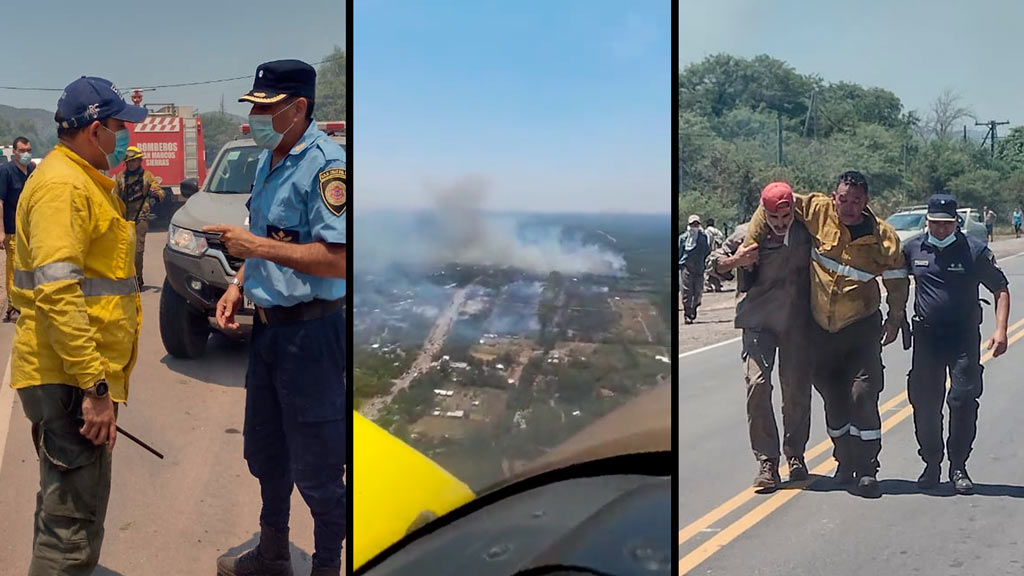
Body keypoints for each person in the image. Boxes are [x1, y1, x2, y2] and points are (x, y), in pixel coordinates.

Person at [206, 60, 347, 576]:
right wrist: (238, 284)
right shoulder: (270, 159)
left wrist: (254, 245)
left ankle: (328, 566)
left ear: (298, 107)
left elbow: (340, 258)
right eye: (255, 108)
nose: (257, 118)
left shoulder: (328, 165)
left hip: (312, 336)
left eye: (267, 108)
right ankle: (273, 553)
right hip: (267, 335)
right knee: (267, 453)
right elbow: (268, 237)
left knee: (320, 470)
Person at [9, 76, 146, 574]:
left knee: (64, 512)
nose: (123, 137)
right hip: (68, 378)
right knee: (70, 529)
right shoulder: (63, 188)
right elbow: (59, 292)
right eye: (118, 127)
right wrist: (94, 385)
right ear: (93, 130)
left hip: (68, 372)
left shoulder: (79, 179)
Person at [745, 171, 909, 498]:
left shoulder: (883, 237)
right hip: (821, 330)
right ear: (834, 196)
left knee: (862, 395)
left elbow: (897, 278)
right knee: (834, 400)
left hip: (861, 327)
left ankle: (867, 469)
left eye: (856, 201)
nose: (848, 207)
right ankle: (844, 464)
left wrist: (895, 317)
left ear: (866, 203)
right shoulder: (818, 210)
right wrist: (752, 242)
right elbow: (773, 204)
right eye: (844, 199)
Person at [902, 194, 1009, 494]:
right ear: (927, 221)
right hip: (926, 337)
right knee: (925, 403)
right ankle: (931, 464)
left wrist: (1001, 331)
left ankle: (958, 466)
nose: (939, 230)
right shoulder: (912, 248)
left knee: (962, 400)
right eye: (934, 224)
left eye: (946, 225)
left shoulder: (973, 251)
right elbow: (893, 279)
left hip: (962, 337)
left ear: (956, 224)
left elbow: (1001, 288)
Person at [710, 182, 813, 489]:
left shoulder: (806, 231)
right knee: (757, 385)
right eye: (773, 218)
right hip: (757, 321)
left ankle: (796, 455)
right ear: (764, 213)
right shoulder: (747, 233)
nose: (780, 224)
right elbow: (714, 263)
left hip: (796, 322)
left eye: (785, 217)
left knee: (795, 390)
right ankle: (767, 462)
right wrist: (735, 261)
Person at [113, 145, 165, 288]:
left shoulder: (147, 177)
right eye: (129, 161)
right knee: (123, 249)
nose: (131, 164)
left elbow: (160, 193)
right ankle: (124, 277)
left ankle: (137, 280)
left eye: (134, 161)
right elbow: (114, 198)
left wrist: (156, 194)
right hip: (124, 218)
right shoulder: (120, 178)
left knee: (137, 250)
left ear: (140, 161)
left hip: (141, 217)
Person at [0, 136, 34, 321]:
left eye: (28, 150)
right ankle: (13, 307)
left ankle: (27, 300)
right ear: (14, 152)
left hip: (29, 229)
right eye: (22, 151)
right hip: (12, 229)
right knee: (14, 268)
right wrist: (1, 231)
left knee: (29, 266)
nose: (26, 154)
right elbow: (0, 202)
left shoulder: (31, 170)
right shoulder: (6, 172)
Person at [679, 214, 710, 324]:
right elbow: (680, 253)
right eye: (692, 224)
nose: (694, 226)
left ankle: (694, 309)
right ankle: (687, 314)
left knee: (698, 292)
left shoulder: (703, 237)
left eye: (696, 224)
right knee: (687, 292)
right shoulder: (683, 238)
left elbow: (707, 251)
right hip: (687, 267)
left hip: (699, 268)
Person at [703, 217, 726, 292]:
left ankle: (709, 286)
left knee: (708, 269)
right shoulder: (718, 232)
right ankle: (716, 286)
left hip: (710, 252)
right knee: (714, 269)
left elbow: (707, 243)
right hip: (718, 253)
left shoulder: (706, 232)